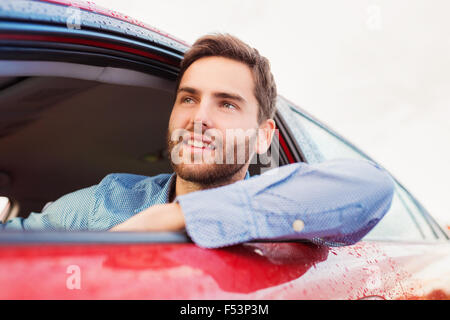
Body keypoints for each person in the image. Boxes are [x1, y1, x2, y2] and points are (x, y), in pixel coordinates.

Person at [0, 34, 394, 248]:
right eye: (188, 98)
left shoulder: (289, 215)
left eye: (226, 104)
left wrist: (179, 216)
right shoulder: (107, 201)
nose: (198, 118)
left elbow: (372, 187)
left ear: (262, 138)